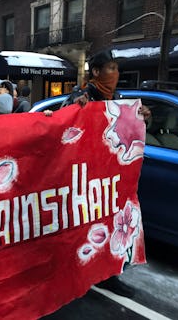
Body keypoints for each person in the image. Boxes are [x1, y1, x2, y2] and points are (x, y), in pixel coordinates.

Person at [60, 49, 152, 298]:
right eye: (110, 68)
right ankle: (78, 272)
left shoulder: (118, 98)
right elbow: (64, 126)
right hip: (87, 178)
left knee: (112, 224)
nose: (115, 73)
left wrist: (142, 118)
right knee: (87, 227)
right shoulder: (82, 95)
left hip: (110, 179)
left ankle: (109, 275)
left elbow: (126, 129)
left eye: (117, 68)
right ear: (97, 72)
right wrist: (76, 111)